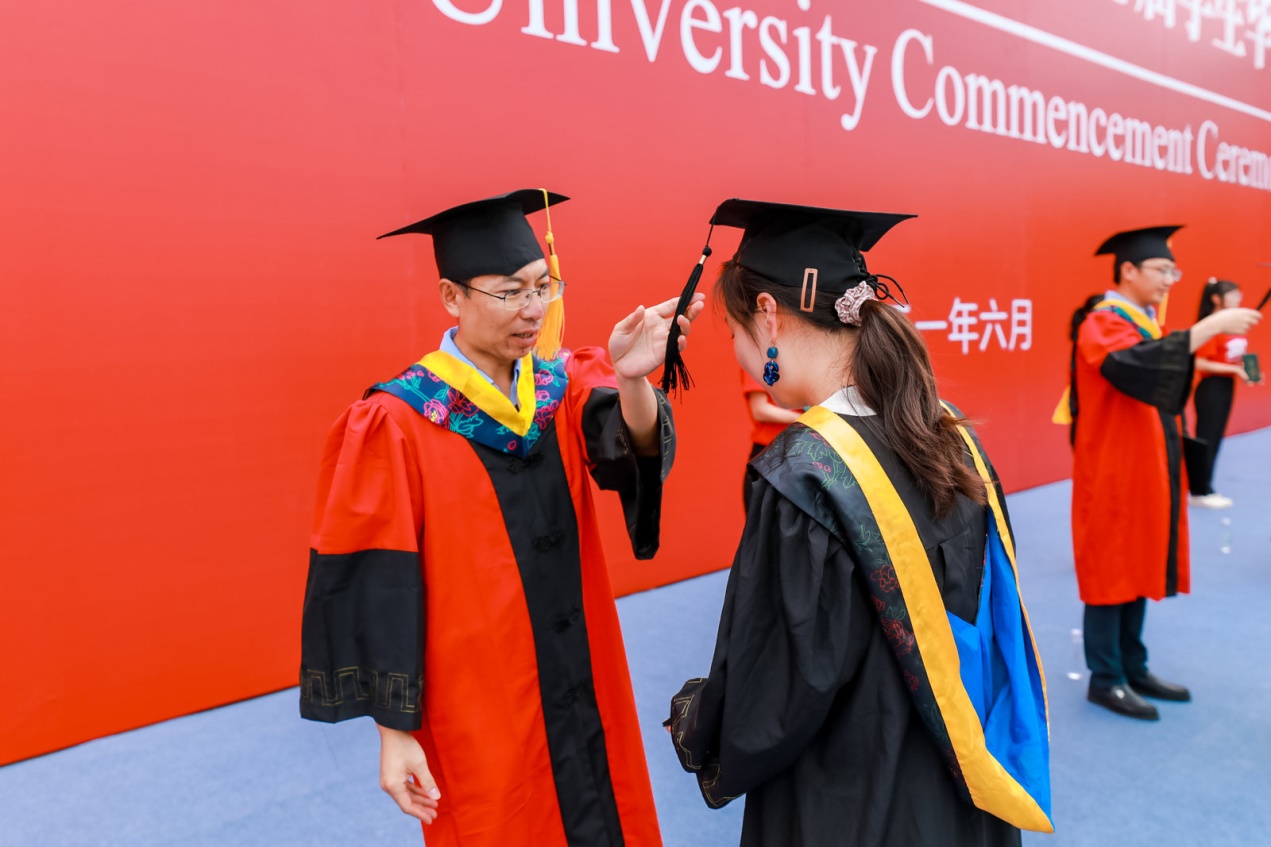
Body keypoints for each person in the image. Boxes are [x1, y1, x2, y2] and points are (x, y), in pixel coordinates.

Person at [299, 188, 704, 847]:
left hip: (581, 673)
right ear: (451, 297)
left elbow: (626, 453)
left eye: (542, 286)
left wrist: (633, 380)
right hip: (479, 701)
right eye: (510, 292)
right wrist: (395, 732)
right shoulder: (398, 420)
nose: (534, 309)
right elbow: (376, 579)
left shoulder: (560, 387)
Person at [666, 199, 1052, 846]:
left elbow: (777, 686)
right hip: (961, 784)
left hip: (849, 798)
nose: (737, 352)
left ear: (768, 315)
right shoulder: (948, 434)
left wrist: (697, 716)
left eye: (732, 332)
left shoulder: (804, 472)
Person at [1066, 227, 1261, 720]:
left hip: (1148, 467)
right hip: (1113, 470)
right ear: (1128, 270)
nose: (1170, 280)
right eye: (1161, 270)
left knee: (1137, 560)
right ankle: (1105, 678)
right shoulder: (1102, 322)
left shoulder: (1146, 323)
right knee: (1111, 568)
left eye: (1174, 270)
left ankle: (1133, 665)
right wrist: (1208, 328)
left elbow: (1168, 374)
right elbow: (1137, 366)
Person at [1189, 278, 1259, 508]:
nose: (1238, 298)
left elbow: (1236, 356)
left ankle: (1206, 486)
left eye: (1239, 294)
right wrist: (1235, 370)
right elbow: (1200, 362)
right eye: (1233, 294)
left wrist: (1249, 371)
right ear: (1216, 298)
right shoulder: (1211, 327)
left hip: (1227, 385)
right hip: (1211, 387)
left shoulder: (1233, 325)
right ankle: (1199, 490)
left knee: (1216, 436)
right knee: (1207, 437)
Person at [739, 369, 801, 510]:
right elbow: (759, 410)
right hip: (770, 454)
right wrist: (804, 418)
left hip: (802, 451)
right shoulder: (759, 361)